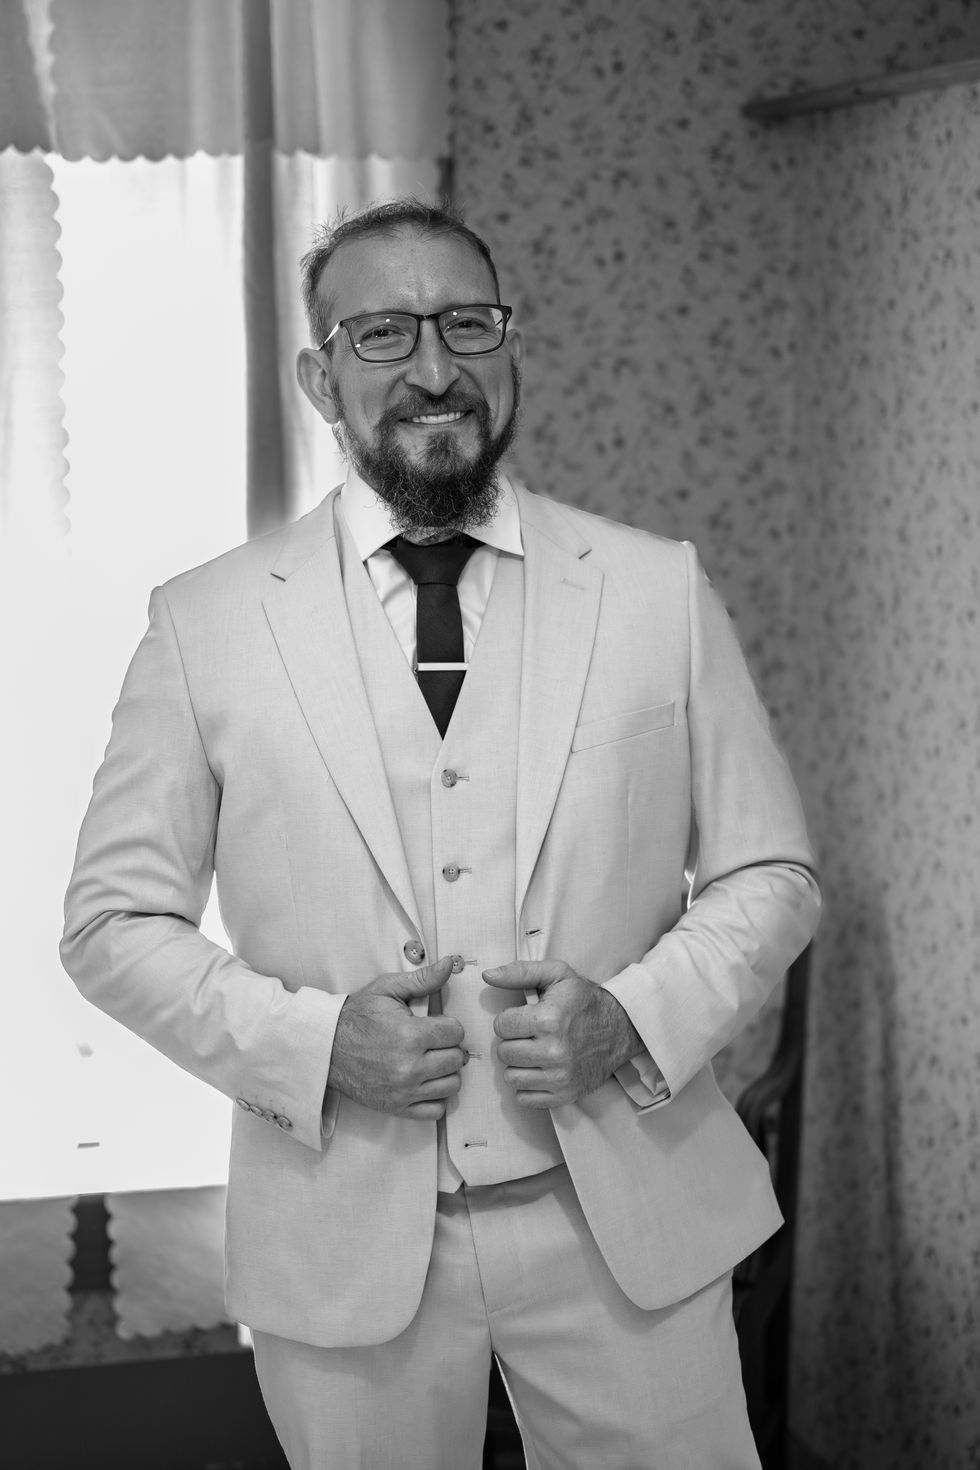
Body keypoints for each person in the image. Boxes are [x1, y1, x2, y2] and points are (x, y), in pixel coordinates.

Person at [62, 197, 820, 1470]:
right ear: (319, 378)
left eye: (465, 324)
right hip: (342, 1239)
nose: (432, 368)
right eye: (382, 334)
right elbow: (110, 925)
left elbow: (771, 873)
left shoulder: (653, 589)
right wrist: (314, 1047)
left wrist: (630, 1019)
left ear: (507, 346)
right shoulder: (206, 626)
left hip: (628, 1222)